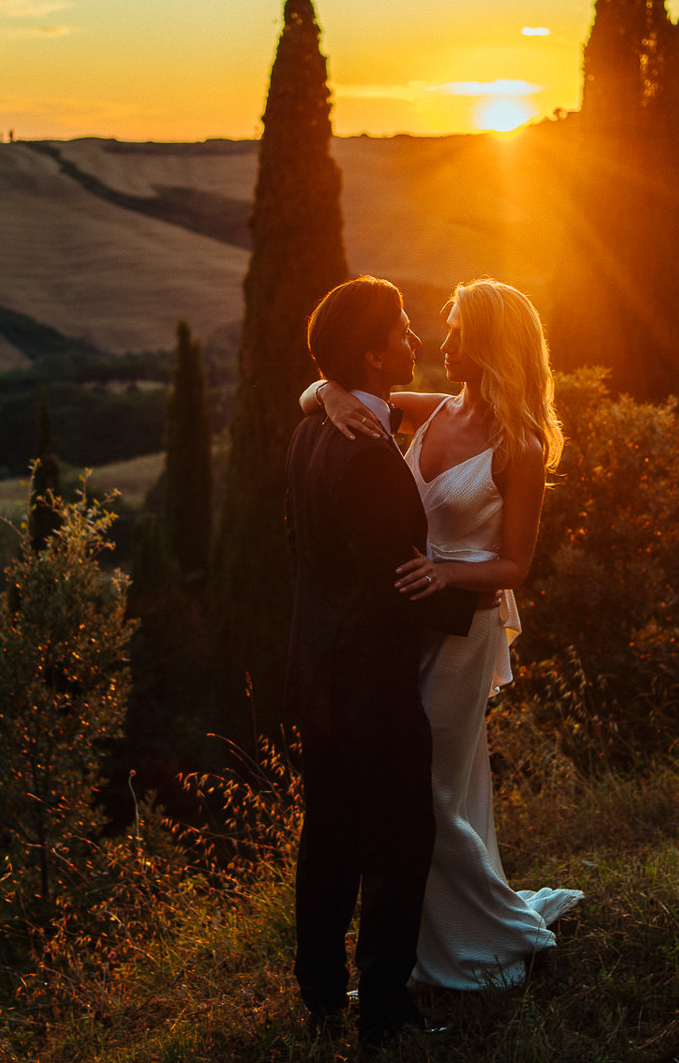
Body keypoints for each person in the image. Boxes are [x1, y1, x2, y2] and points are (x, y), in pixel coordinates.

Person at [302, 276, 582, 990]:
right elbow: (327, 392)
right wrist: (328, 394)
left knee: (426, 788)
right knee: (416, 784)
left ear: (489, 343)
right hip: (404, 624)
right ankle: (421, 942)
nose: (441, 341)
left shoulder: (521, 444)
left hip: (463, 631)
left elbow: (516, 565)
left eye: (457, 332)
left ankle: (472, 938)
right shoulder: (434, 408)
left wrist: (443, 573)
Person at [284, 276, 479, 1046]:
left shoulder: (312, 429)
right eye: (402, 329)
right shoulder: (364, 452)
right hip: (370, 682)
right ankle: (386, 1015)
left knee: (328, 831)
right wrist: (474, 602)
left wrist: (322, 391)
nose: (416, 340)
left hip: (318, 672)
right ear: (371, 354)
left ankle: (320, 994)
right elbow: (393, 580)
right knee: (399, 841)